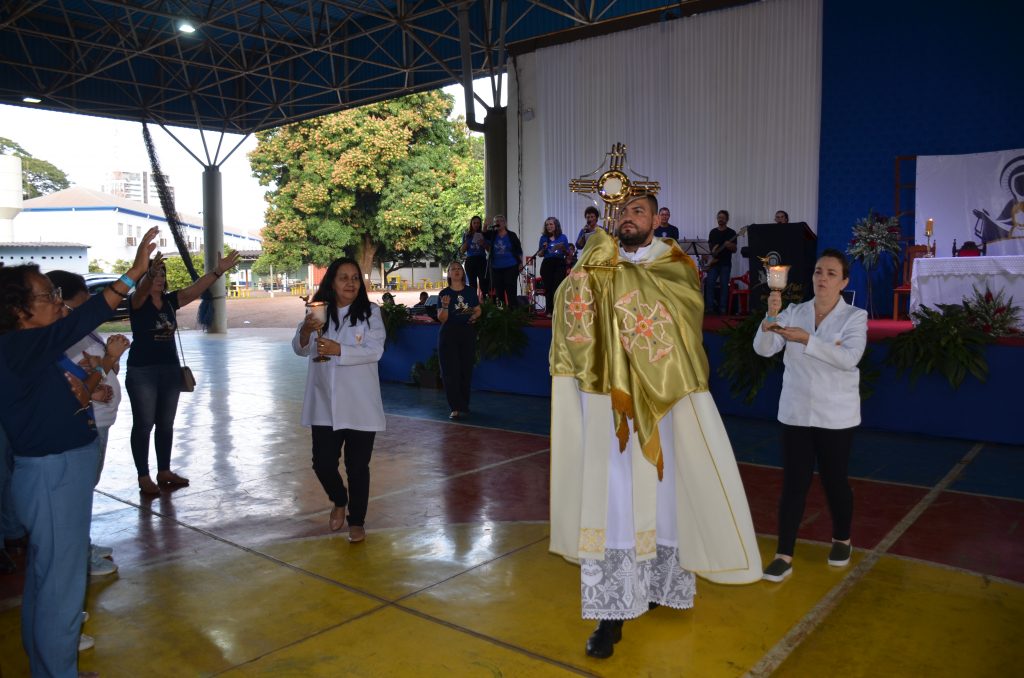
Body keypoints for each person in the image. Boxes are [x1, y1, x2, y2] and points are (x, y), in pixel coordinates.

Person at [549, 193, 761, 660]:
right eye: (622, 212)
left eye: (638, 212)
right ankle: (612, 614)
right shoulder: (596, 260)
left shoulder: (674, 263)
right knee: (613, 505)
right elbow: (569, 309)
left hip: (660, 403)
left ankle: (661, 585)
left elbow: (679, 316)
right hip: (607, 403)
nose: (627, 218)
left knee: (664, 500)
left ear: (656, 219)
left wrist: (612, 274)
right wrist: (588, 273)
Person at [0, 227, 157, 677]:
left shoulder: (31, 353)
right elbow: (81, 320)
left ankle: (49, 665)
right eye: (47, 294)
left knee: (48, 580)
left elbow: (69, 399)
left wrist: (86, 387)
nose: (57, 300)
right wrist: (130, 277)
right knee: (63, 586)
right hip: (53, 475)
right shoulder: (18, 346)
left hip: (56, 472)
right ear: (19, 310)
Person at [753, 249, 867, 583]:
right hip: (796, 412)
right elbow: (764, 349)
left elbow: (848, 359)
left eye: (832, 273)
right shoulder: (794, 311)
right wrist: (770, 317)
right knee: (794, 485)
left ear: (844, 281)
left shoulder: (855, 317)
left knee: (835, 482)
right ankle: (784, 554)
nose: (822, 278)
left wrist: (808, 340)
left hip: (836, 416)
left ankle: (842, 538)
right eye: (818, 271)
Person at [126, 250, 240, 495]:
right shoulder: (137, 301)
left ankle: (164, 471)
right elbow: (143, 289)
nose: (158, 277)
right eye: (154, 274)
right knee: (144, 424)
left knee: (165, 423)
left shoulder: (169, 301)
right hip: (142, 371)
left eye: (161, 274)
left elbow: (195, 289)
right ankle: (143, 475)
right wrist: (149, 273)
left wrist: (218, 270)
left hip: (169, 370)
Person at [293, 258, 385, 544]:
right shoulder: (318, 311)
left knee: (358, 467)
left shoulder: (370, 313)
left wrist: (339, 349)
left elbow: (374, 351)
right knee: (322, 463)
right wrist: (306, 331)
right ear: (331, 281)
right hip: (324, 403)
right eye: (343, 277)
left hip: (360, 404)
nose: (350, 283)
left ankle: (356, 520)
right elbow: (299, 348)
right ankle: (339, 499)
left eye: (355, 278)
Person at [47, 270, 130, 578]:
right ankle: (77, 554)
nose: (87, 309)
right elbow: (72, 383)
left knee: (86, 487)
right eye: (81, 303)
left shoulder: (82, 330)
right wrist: (104, 363)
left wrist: (105, 361)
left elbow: (98, 367)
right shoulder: (59, 334)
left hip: (100, 419)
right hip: (85, 422)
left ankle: (82, 544)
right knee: (77, 492)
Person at [437, 261, 481, 420]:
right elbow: (442, 318)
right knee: (450, 371)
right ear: (448, 274)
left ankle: (464, 404)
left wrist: (474, 316)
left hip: (467, 333)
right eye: (452, 269)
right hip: (449, 334)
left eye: (459, 269)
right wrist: (446, 306)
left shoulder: (470, 291)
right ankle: (454, 407)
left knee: (465, 370)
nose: (456, 271)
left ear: (463, 273)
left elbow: (477, 309)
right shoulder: (444, 293)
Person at [530, 217, 570, 317]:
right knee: (548, 288)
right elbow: (540, 254)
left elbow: (568, 252)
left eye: (551, 224)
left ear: (556, 225)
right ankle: (549, 311)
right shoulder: (543, 238)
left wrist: (563, 248)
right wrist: (543, 249)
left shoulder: (563, 237)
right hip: (547, 264)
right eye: (547, 225)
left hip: (559, 263)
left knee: (557, 288)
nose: (549, 226)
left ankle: (558, 310)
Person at [704, 209, 736, 314]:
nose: (720, 219)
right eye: (719, 217)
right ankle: (709, 308)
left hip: (725, 264)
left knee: (724, 286)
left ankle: (723, 309)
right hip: (713, 264)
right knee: (709, 284)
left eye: (722, 218)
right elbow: (710, 248)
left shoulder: (732, 232)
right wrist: (707, 257)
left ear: (727, 219)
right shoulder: (713, 232)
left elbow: (735, 249)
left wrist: (729, 245)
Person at [487, 215, 523, 308]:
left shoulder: (511, 235)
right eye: (496, 221)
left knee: (511, 290)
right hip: (496, 267)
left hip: (511, 266)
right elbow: (487, 246)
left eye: (500, 220)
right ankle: (501, 312)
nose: (498, 222)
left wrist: (520, 263)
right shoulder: (492, 235)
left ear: (505, 223)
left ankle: (513, 312)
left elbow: (518, 250)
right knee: (499, 291)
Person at [459, 215, 490, 295]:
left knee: (484, 283)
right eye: (474, 223)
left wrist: (483, 243)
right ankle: (473, 303)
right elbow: (462, 250)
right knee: (472, 284)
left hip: (481, 260)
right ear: (471, 224)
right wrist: (467, 241)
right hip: (470, 260)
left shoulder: (484, 234)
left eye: (478, 223)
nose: (476, 224)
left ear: (480, 224)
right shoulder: (467, 235)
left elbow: (489, 249)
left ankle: (485, 301)